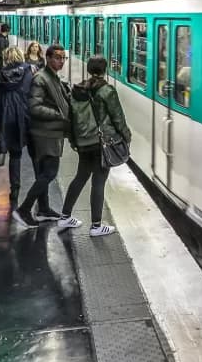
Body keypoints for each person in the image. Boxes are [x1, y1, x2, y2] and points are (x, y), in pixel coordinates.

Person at [59, 56, 131, 236]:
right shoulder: (107, 90)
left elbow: (71, 117)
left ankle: (65, 216)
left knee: (80, 177)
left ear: (89, 69)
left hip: (84, 142)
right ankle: (97, 226)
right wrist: (126, 136)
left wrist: (74, 140)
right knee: (99, 182)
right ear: (105, 70)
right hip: (101, 142)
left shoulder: (77, 90)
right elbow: (118, 117)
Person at [13, 45, 71, 228]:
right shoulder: (41, 78)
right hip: (44, 134)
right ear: (47, 58)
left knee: (42, 173)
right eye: (57, 58)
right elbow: (34, 107)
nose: (61, 61)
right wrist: (59, 114)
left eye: (63, 58)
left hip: (50, 132)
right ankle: (24, 209)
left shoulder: (52, 77)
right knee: (49, 172)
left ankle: (44, 209)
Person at [0, 47, 34, 208]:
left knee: (14, 155)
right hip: (25, 115)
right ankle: (40, 193)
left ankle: (15, 189)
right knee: (35, 153)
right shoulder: (28, 72)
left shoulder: (0, 75)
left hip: (6, 117)